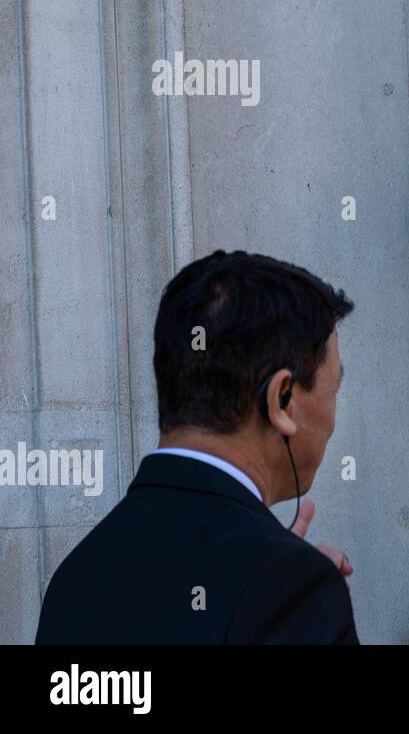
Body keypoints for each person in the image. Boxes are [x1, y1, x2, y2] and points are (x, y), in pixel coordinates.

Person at [36, 251, 359, 644]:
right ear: (281, 399)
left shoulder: (75, 578)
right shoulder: (292, 587)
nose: (332, 418)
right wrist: (290, 591)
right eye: (334, 389)